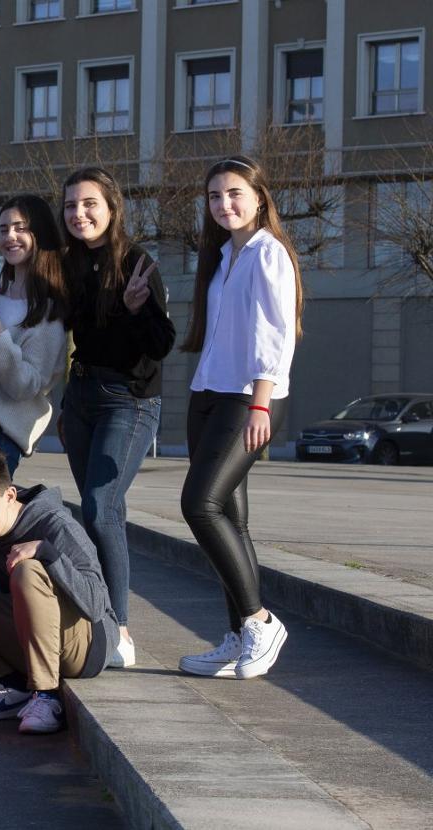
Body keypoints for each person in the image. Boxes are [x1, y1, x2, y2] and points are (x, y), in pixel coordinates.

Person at [177, 156, 302, 680]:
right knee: (232, 519)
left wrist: (261, 404)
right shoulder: (224, 254)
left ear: (258, 198)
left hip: (245, 398)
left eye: (234, 194)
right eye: (214, 197)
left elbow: (276, 333)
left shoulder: (268, 254)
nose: (224, 204)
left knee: (199, 505)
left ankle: (260, 620)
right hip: (207, 392)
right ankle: (236, 637)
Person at [59, 167, 175, 669]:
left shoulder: (137, 264)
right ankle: (99, 616)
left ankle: (119, 626)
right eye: (70, 206)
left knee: (100, 504)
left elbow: (161, 345)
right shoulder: (67, 265)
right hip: (81, 396)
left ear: (112, 207)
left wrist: (133, 309)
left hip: (128, 400)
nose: (79, 214)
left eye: (89, 204)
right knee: (101, 513)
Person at [0, 450, 119, 734]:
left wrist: (46, 553)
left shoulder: (55, 524)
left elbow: (95, 605)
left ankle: (46, 696)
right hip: (34, 639)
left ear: (9, 496)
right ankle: (11, 686)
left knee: (27, 569)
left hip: (86, 645)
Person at [0, 194, 69, 475]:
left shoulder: (49, 312)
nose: (10, 236)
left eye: (20, 228)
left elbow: (26, 386)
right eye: (4, 228)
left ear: (39, 233)